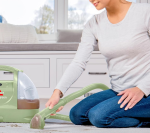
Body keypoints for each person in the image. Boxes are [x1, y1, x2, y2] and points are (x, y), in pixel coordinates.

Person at [45, 0, 150, 128]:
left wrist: (142, 88)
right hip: (119, 91)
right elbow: (79, 62)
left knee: (98, 116)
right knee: (77, 114)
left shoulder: (145, 12)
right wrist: (57, 92)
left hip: (146, 91)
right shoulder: (94, 23)